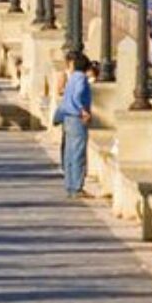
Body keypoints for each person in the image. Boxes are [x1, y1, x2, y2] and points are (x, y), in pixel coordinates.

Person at [54, 51, 92, 198]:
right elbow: (77, 95)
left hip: (67, 118)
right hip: (76, 118)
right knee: (78, 153)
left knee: (69, 153)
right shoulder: (81, 79)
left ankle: (70, 185)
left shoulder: (72, 78)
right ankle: (77, 187)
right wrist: (83, 110)